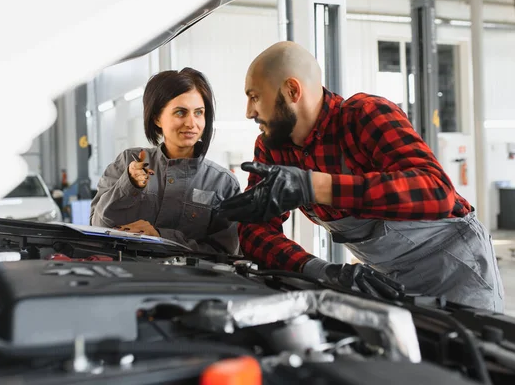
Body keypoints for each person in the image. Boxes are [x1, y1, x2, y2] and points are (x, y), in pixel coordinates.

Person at [218, 41, 504, 312]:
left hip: (457, 271)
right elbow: (255, 232)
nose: (249, 112)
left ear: (292, 91)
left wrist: (313, 185)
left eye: (255, 97)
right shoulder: (273, 149)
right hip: (388, 280)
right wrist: (322, 270)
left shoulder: (365, 115)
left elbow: (436, 192)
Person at [90, 67, 241, 255]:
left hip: (188, 282)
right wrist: (128, 185)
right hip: (128, 278)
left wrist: (161, 237)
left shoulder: (222, 183)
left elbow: (225, 253)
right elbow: (97, 226)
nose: (191, 123)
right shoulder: (128, 162)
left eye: (199, 112)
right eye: (180, 112)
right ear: (157, 118)